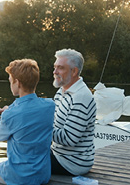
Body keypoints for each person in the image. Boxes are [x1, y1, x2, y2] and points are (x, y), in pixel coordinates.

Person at [0, 59, 55, 185]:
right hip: (43, 174)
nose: (10, 84)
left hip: (20, 175)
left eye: (10, 81)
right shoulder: (50, 105)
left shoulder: (11, 114)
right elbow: (27, 111)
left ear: (18, 83)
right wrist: (8, 110)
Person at [51, 48, 96, 176]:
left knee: (23, 163)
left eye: (60, 68)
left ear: (74, 71)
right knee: (22, 153)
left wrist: (37, 127)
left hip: (72, 163)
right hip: (57, 155)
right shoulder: (62, 91)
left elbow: (69, 138)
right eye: (54, 67)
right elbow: (50, 119)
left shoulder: (81, 97)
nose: (55, 72)